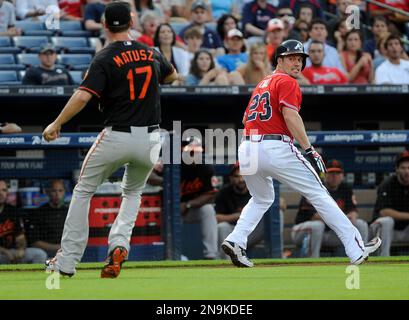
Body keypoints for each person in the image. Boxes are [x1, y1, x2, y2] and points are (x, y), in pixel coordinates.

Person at [42, 1, 178, 278]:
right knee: (132, 192)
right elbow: (173, 76)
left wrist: (57, 123)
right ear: (131, 21)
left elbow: (83, 95)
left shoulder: (104, 57)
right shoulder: (149, 51)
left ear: (105, 24)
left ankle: (67, 261)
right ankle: (118, 244)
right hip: (151, 137)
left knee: (83, 190)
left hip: (118, 134)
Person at [221, 39, 381, 268]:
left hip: (248, 147)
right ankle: (355, 249)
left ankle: (236, 239)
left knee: (262, 198)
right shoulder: (286, 81)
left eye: (300, 59)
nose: (297, 63)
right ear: (280, 60)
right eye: (292, 58)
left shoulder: (263, 82)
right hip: (275, 146)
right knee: (318, 192)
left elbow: (245, 119)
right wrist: (309, 149)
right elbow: (291, 116)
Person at [292, 160, 369, 258]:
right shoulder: (315, 187)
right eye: (331, 173)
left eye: (337, 173)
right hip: (303, 231)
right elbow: (314, 216)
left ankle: (361, 256)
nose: (334, 176)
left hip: (330, 232)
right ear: (324, 174)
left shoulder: (345, 189)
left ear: (342, 175)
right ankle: (312, 261)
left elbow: (353, 211)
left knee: (360, 224)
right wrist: (342, 219)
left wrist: (352, 217)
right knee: (317, 226)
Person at [215, 162, 266, 259]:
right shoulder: (224, 192)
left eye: (244, 176)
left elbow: (281, 204)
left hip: (253, 231)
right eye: (236, 176)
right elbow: (216, 218)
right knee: (222, 227)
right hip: (233, 230)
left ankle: (278, 253)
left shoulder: (256, 189)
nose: (241, 180)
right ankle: (229, 261)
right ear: (231, 178)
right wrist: (242, 215)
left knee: (277, 214)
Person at [180, 137, 219, 260]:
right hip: (172, 209)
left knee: (208, 210)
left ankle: (211, 255)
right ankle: (174, 255)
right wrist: (165, 181)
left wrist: (188, 204)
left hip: (191, 209)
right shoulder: (172, 164)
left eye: (197, 152)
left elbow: (210, 194)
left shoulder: (205, 167)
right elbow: (150, 176)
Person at [370, 151, 409, 256]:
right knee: (387, 221)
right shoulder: (388, 184)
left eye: (408, 168)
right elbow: (384, 212)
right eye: (403, 168)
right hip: (382, 230)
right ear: (397, 169)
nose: (407, 171)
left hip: (405, 230)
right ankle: (384, 260)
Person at [0, 179, 47, 264]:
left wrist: (21, 249)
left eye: (4, 190)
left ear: (7, 192)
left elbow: (20, 237)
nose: (1, 193)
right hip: (3, 253)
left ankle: (32, 277)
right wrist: (5, 251)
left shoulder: (12, 211)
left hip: (12, 252)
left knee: (40, 254)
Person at [27, 180, 68, 258]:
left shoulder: (69, 212)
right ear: (47, 192)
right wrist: (58, 248)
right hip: (45, 254)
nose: (57, 194)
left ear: (64, 192)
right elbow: (34, 242)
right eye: (54, 191)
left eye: (60, 191)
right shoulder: (38, 213)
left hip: (66, 254)